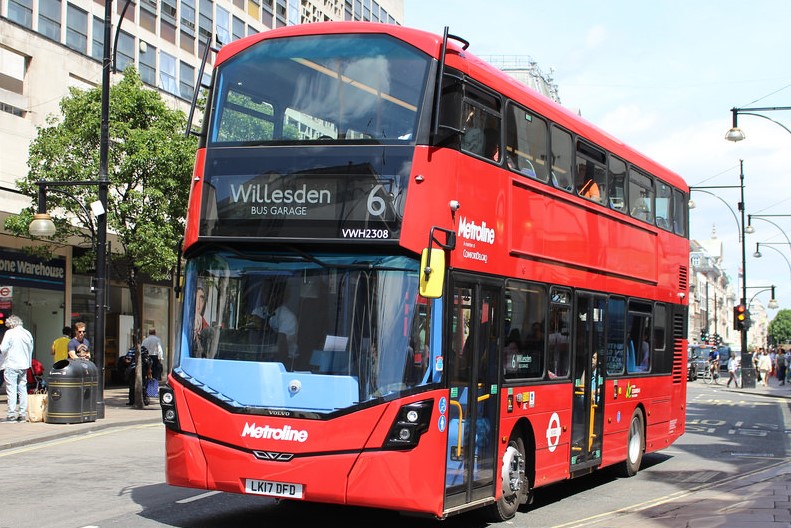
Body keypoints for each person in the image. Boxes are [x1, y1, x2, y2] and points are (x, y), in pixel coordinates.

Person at [0, 315, 34, 422]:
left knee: (11, 389)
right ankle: (22, 414)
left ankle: (11, 414)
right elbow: (31, 349)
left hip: (11, 364)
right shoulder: (27, 333)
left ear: (12, 324)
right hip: (23, 365)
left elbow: (3, 348)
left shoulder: (10, 333)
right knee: (22, 389)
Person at [252, 282, 298, 361]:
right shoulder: (258, 311)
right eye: (263, 292)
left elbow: (280, 344)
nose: (264, 296)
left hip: (286, 360)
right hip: (259, 358)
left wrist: (265, 326)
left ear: (278, 296)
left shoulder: (289, 317)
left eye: (268, 293)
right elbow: (252, 338)